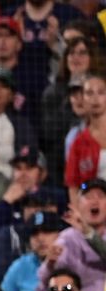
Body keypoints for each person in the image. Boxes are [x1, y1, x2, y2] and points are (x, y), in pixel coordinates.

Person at [0, 145, 67, 259]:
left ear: (43, 173)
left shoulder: (56, 198)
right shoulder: (9, 201)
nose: (23, 174)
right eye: (18, 168)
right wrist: (5, 203)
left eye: (29, 168)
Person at [39, 179, 106, 291]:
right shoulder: (67, 239)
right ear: (77, 205)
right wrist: (50, 262)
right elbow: (45, 280)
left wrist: (87, 231)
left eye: (100, 196)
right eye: (88, 197)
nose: (94, 201)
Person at [42, 37, 100, 184]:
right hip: (59, 167)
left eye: (82, 53)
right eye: (71, 53)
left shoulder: (101, 89)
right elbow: (48, 134)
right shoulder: (52, 94)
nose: (76, 57)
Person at [1, 211, 64, 291]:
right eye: (34, 233)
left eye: (47, 231)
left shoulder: (74, 263)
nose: (40, 238)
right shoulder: (20, 266)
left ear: (59, 234)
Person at [64, 74, 106, 200]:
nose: (95, 98)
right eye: (89, 93)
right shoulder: (78, 143)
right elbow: (74, 186)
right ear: (83, 99)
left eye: (101, 92)